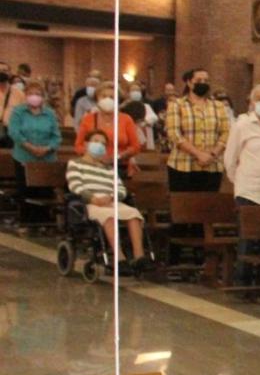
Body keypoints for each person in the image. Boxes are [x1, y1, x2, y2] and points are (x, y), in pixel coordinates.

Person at [66, 127, 152, 274]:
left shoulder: (109, 169)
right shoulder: (75, 164)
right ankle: (119, 258)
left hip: (110, 200)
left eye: (103, 143)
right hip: (90, 202)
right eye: (95, 141)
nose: (99, 145)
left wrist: (112, 197)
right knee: (108, 216)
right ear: (86, 144)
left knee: (133, 214)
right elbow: (75, 186)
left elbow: (121, 189)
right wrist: (94, 199)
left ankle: (139, 257)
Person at [166, 67, 230, 192]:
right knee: (184, 207)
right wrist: (198, 154)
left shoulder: (218, 106)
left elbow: (226, 133)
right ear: (189, 83)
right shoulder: (177, 105)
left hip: (212, 166)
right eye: (199, 80)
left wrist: (212, 154)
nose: (203, 83)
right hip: (183, 166)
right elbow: (174, 134)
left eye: (206, 80)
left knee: (207, 207)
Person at [7, 83, 61, 202]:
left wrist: (46, 149)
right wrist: (30, 147)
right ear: (25, 95)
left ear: (43, 97)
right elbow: (14, 132)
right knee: (26, 194)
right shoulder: (18, 112)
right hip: (23, 157)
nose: (34, 96)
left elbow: (56, 137)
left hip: (46, 159)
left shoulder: (50, 113)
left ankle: (46, 220)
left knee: (45, 194)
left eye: (37, 94)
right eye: (31, 94)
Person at [119, 82, 159, 150]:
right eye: (133, 90)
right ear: (128, 93)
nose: (136, 92)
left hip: (145, 136)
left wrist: (143, 122)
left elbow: (154, 117)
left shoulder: (145, 106)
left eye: (138, 90)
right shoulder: (123, 106)